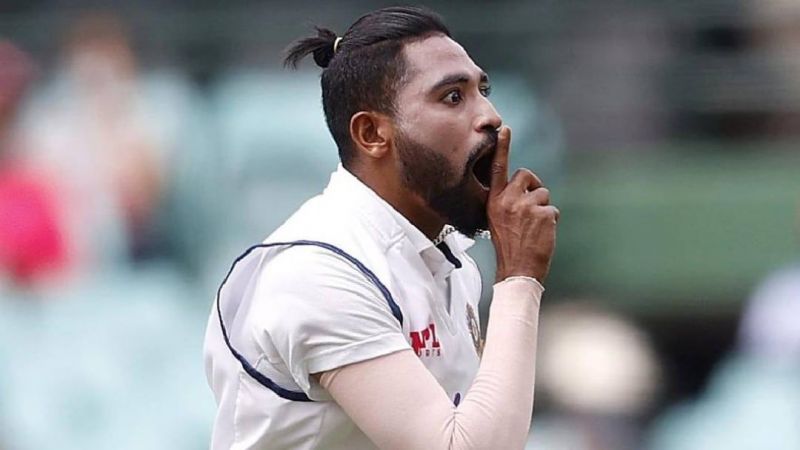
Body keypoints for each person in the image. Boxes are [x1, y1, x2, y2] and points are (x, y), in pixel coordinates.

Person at [203, 6, 559, 450]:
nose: (489, 115)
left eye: (483, 90)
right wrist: (519, 279)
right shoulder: (319, 271)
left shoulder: (452, 263)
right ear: (372, 133)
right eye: (453, 96)